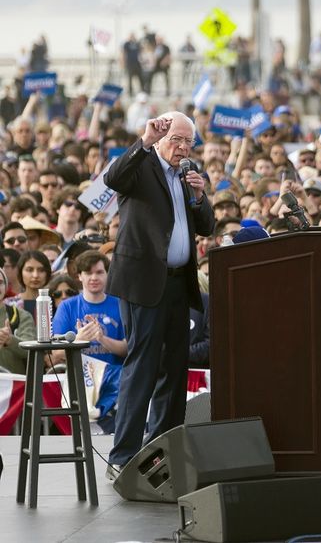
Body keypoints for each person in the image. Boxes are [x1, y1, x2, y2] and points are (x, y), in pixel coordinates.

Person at [104, 112, 215, 477]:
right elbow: (113, 178)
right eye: (176, 140)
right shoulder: (142, 166)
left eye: (189, 142)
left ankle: (161, 452)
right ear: (161, 138)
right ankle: (123, 456)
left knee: (174, 369)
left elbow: (207, 225)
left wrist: (199, 197)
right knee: (143, 367)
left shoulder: (187, 174)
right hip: (143, 282)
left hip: (178, 284)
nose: (182, 148)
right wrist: (144, 140)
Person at [51, 251, 127, 431]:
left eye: (99, 272)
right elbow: (57, 352)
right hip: (82, 382)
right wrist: (79, 339)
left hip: (117, 382)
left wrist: (101, 338)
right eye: (88, 272)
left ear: (108, 274)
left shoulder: (120, 304)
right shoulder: (67, 307)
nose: (94, 277)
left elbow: (127, 348)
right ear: (79, 276)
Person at [0, 267, 36, 373]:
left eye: (0, 282)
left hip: (15, 386)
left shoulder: (21, 316)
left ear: (5, 287)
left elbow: (30, 350)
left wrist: (9, 340)